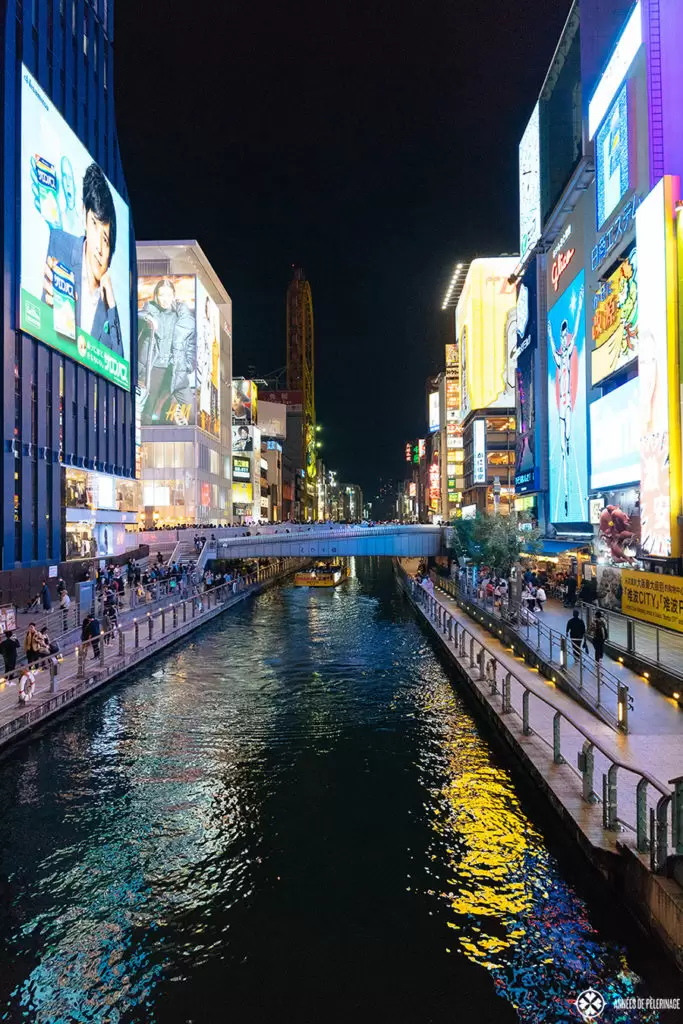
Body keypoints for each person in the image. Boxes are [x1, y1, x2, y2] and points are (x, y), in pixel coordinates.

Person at [40, 163, 123, 355]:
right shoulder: (61, 245)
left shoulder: (107, 300)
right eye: (94, 224)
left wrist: (112, 306)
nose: (99, 249)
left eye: (105, 240)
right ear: (84, 215)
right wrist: (46, 309)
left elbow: (119, 363)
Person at [549, 282, 584, 518]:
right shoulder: (558, 354)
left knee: (569, 442)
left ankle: (570, 494)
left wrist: (580, 302)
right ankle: (566, 500)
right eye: (562, 334)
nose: (563, 337)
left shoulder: (569, 348)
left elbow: (579, 321)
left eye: (564, 333)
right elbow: (551, 344)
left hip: (568, 402)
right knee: (562, 449)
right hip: (561, 405)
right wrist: (549, 330)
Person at [138, 277, 195, 425]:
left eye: (168, 295)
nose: (165, 299)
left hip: (175, 369)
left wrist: (188, 364)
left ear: (174, 296)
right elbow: (140, 315)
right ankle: (144, 441)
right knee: (148, 408)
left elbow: (190, 343)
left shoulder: (181, 315)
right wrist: (149, 320)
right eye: (161, 295)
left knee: (190, 408)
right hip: (154, 368)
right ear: (156, 295)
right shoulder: (149, 309)